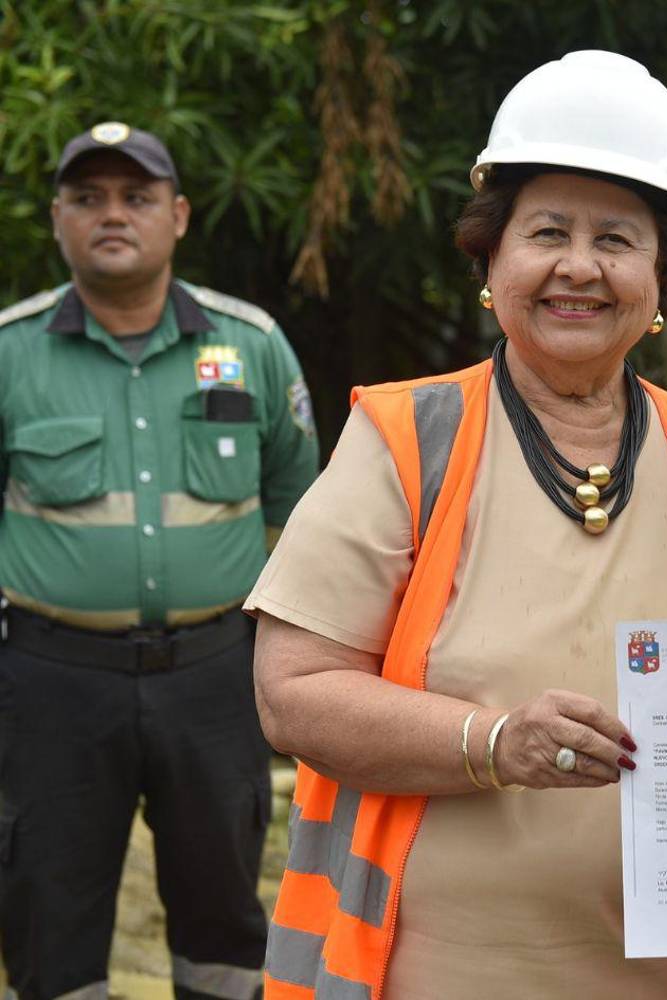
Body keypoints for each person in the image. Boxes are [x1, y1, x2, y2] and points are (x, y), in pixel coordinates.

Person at [248, 50, 667, 1000]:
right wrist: (496, 741)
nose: (580, 267)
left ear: (663, 277)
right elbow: (292, 695)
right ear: (490, 262)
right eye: (547, 232)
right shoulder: (409, 437)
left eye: (618, 240)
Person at [0, 123, 319, 1000]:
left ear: (177, 217)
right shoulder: (10, 353)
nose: (112, 215)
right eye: (88, 198)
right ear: (58, 219)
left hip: (215, 678)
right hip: (49, 683)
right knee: (47, 915)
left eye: (136, 197)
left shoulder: (250, 344)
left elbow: (304, 509)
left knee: (225, 921)